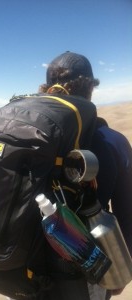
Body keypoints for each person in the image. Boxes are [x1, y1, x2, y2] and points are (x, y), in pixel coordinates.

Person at [36, 51, 132, 300]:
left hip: (26, 267)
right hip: (86, 272)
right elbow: (127, 213)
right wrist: (121, 272)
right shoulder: (113, 142)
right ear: (91, 87)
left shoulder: (33, 138)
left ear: (46, 87)